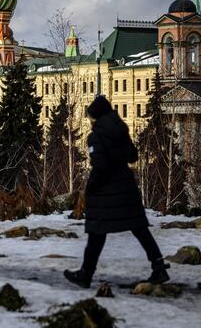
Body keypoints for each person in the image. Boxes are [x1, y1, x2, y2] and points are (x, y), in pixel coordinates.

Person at [64, 95, 169, 288]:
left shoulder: (96, 136)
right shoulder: (121, 130)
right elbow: (133, 156)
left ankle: (85, 275)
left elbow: (100, 166)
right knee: (140, 230)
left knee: (96, 234)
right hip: (126, 187)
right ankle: (159, 267)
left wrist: (90, 188)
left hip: (106, 192)